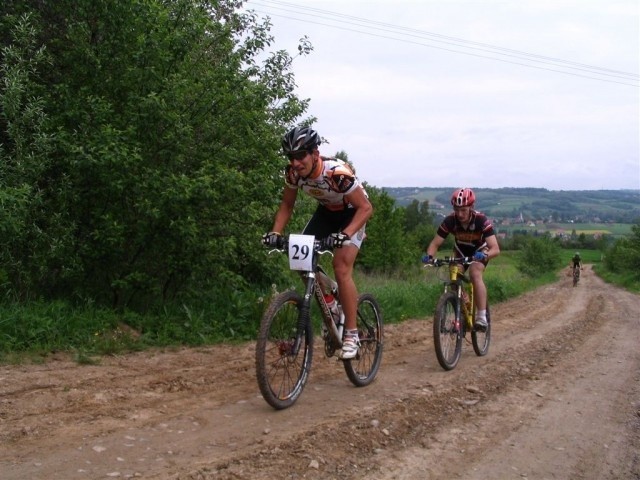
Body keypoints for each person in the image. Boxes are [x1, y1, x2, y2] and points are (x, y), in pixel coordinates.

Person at [262, 126, 373, 359]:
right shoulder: (293, 174)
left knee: (341, 267)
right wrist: (275, 232)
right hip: (327, 213)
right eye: (291, 157)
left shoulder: (337, 174)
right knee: (300, 261)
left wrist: (345, 234)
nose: (295, 163)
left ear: (315, 153)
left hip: (353, 214)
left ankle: (352, 334)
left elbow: (366, 208)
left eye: (300, 155)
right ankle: (332, 303)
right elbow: (287, 206)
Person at [422, 188, 500, 331]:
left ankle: (482, 317)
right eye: (457, 210)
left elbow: (495, 248)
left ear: (471, 207)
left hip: (480, 251)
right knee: (453, 275)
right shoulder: (450, 221)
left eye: (463, 210)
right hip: (461, 250)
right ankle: (463, 311)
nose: (460, 214)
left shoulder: (481, 220)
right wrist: (430, 257)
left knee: (475, 273)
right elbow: (435, 243)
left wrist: (485, 255)